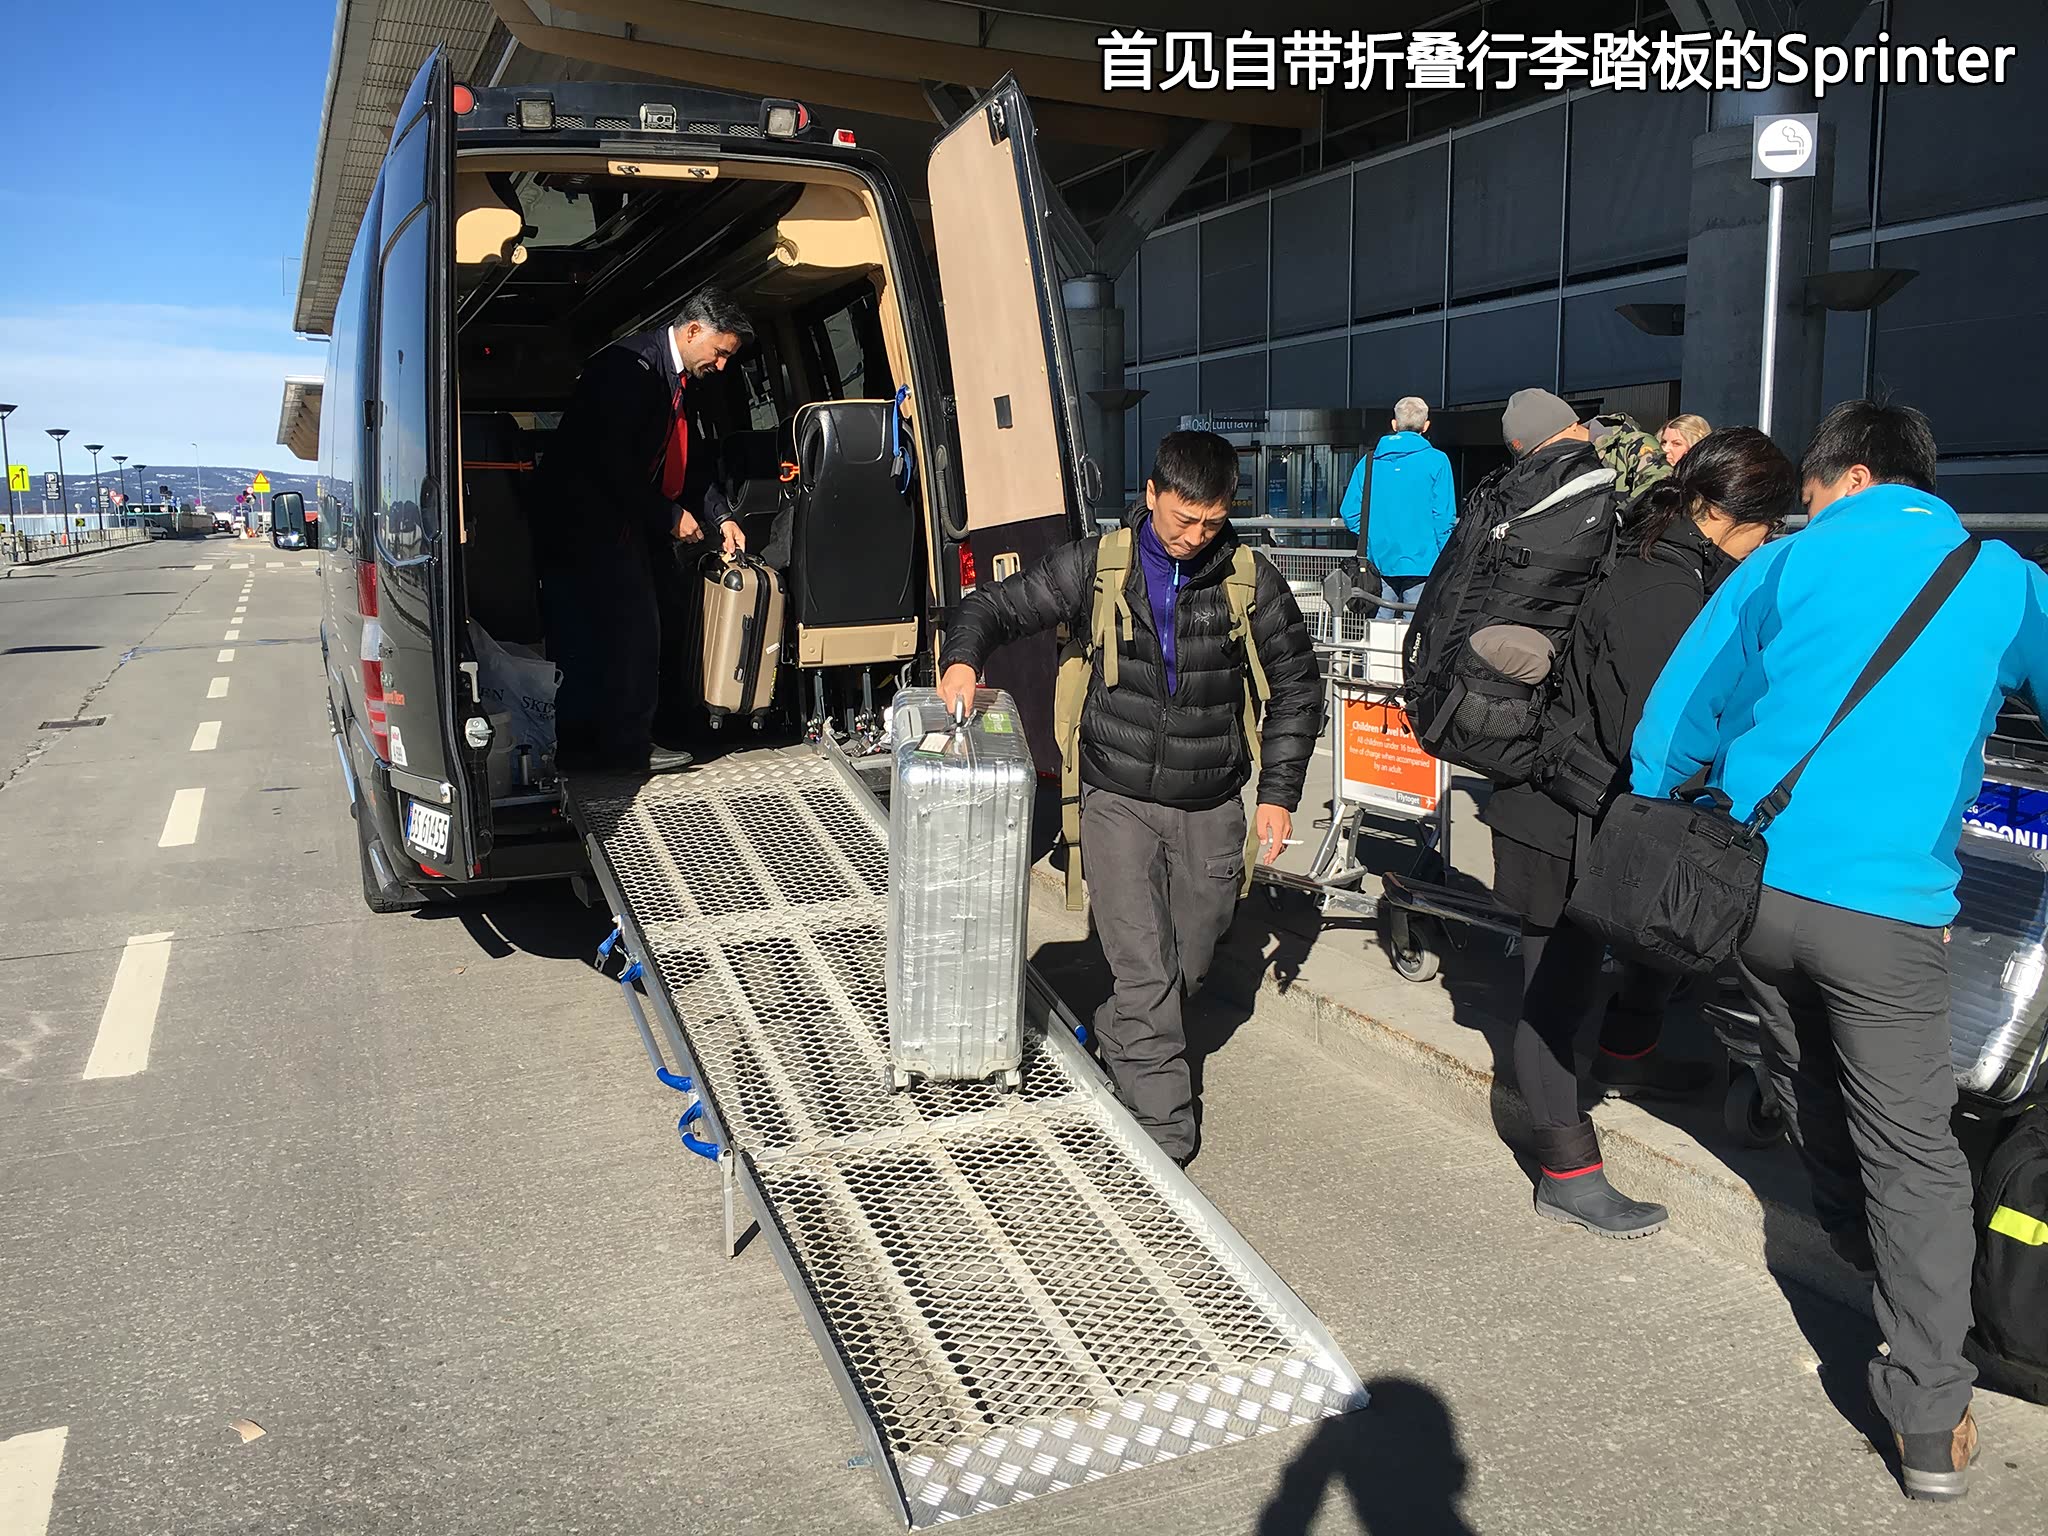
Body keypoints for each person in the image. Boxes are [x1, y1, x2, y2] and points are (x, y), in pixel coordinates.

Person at [1632, 399, 2048, 1502]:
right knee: (1913, 1149)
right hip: (1886, 911)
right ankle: (1927, 1416)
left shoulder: (1779, 566)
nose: (1803, 512)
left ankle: (1864, 1251)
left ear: (1849, 477)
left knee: (1805, 1078)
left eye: (1808, 494)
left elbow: (1675, 721)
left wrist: (1669, 811)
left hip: (1755, 892)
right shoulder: (2000, 578)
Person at [936, 430, 1323, 1165]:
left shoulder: (1251, 579)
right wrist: (962, 659)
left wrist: (1278, 794)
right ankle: (1163, 1136)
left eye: (1211, 523)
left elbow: (1300, 689)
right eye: (1183, 519)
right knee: (1146, 967)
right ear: (1152, 495)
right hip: (1116, 796)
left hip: (1211, 800)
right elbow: (993, 607)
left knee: (1192, 959)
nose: (1194, 537)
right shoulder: (1097, 564)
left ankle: (1120, 1030)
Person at [1485, 428, 1796, 1239]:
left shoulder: (1675, 562)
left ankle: (1628, 1060)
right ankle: (1565, 1171)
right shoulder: (1660, 587)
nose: (1770, 541)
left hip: (1594, 807)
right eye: (1769, 524)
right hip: (1558, 816)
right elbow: (1649, 731)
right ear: (1727, 512)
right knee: (1554, 992)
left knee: (1644, 952)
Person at [538, 286, 752, 774]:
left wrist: (721, 516)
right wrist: (667, 515)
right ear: (693, 330)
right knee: (622, 629)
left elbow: (688, 460)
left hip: (618, 519)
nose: (722, 366)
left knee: (626, 627)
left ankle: (603, 742)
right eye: (720, 353)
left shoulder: (676, 380)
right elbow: (608, 462)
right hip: (584, 520)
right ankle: (621, 747)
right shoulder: (629, 369)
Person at [1338, 395, 1455, 617]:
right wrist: (1445, 558)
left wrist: (1372, 536)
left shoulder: (1369, 462)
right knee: (1416, 627)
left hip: (1379, 560)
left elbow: (1350, 512)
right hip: (1424, 560)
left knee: (1380, 628)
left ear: (1394, 424)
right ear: (1426, 426)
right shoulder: (1438, 461)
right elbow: (1443, 517)